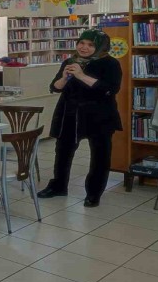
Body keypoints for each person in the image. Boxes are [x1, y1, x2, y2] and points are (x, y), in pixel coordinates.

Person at [37, 29, 122, 208]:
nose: (84, 47)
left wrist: (81, 76)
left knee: (100, 154)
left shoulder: (110, 63)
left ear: (101, 47)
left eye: (90, 45)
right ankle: (58, 186)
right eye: (81, 43)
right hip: (70, 113)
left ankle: (93, 193)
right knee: (62, 151)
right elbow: (55, 87)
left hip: (99, 115)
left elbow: (110, 89)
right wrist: (64, 78)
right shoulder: (70, 62)